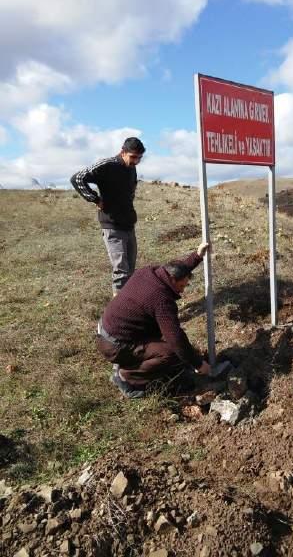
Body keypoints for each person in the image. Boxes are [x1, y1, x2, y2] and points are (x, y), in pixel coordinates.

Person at [96, 242, 211, 398]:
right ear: (174, 281)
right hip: (115, 345)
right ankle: (126, 376)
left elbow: (176, 269)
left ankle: (130, 361)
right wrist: (198, 364)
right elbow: (176, 339)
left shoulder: (149, 272)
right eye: (182, 286)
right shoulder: (162, 299)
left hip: (108, 332)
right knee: (171, 353)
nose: (182, 291)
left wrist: (197, 256)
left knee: (169, 335)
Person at [70, 137, 146, 295]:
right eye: (133, 157)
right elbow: (77, 178)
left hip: (128, 225)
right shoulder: (107, 165)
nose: (136, 161)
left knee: (130, 270)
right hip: (111, 226)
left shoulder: (132, 168)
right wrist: (94, 199)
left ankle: (129, 306)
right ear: (122, 152)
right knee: (121, 271)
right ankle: (119, 313)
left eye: (139, 158)